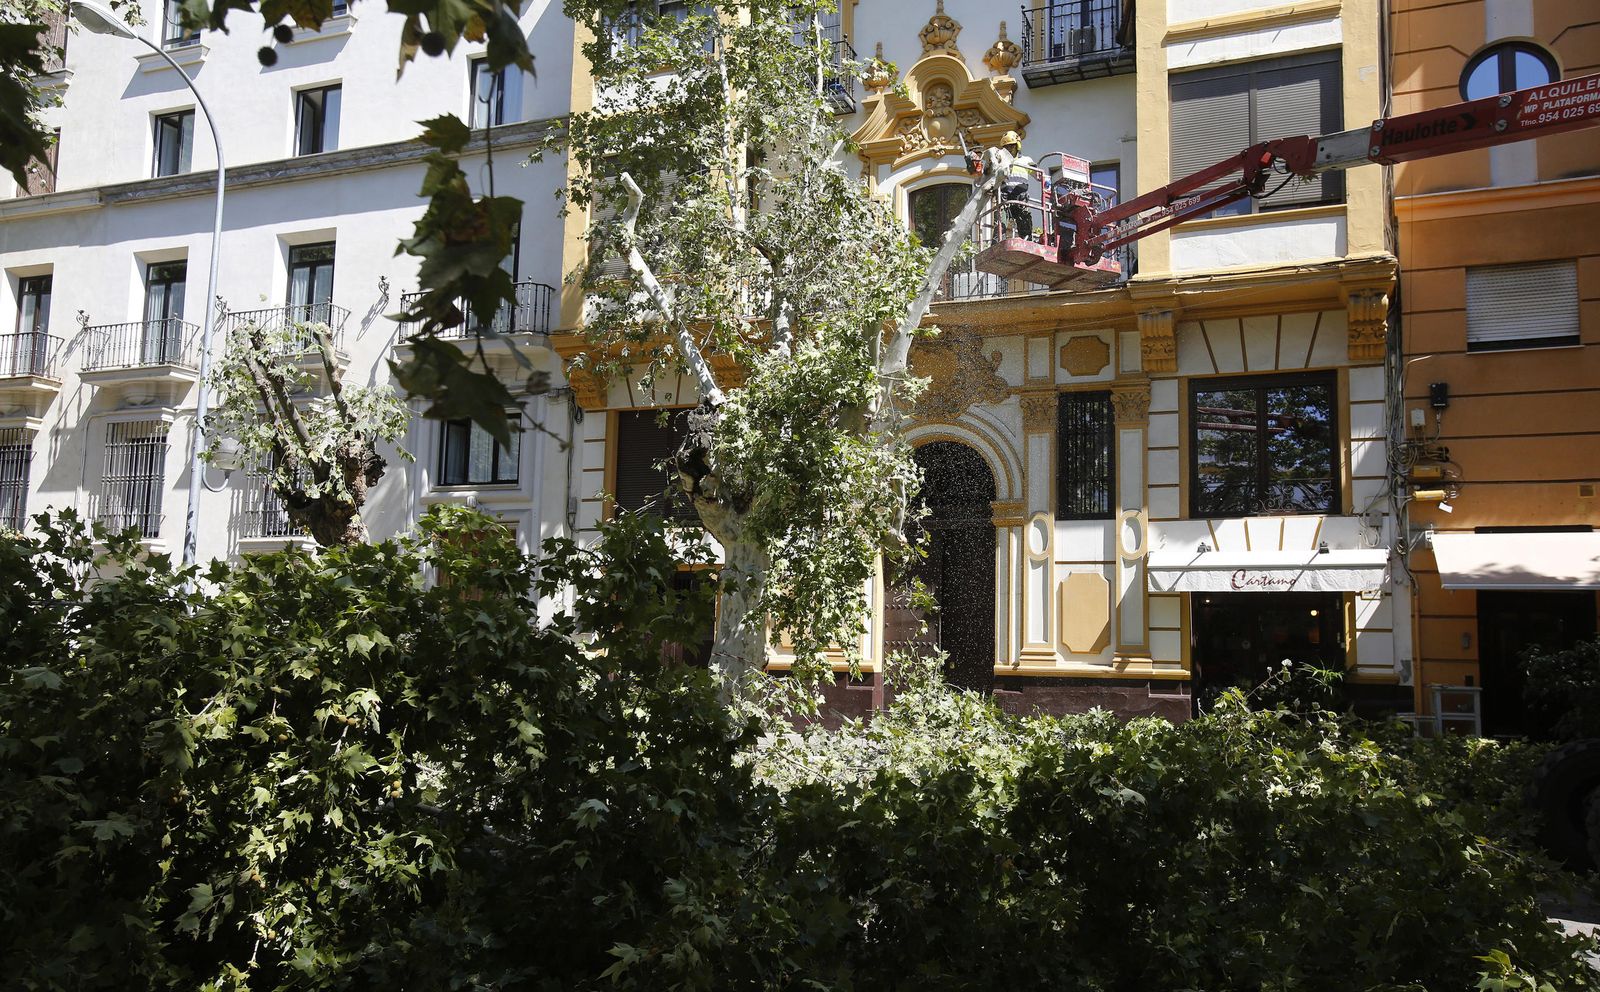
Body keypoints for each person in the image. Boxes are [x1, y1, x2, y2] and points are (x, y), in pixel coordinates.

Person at [999, 130, 1037, 240]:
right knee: (1001, 225)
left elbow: (1038, 175)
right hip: (1004, 198)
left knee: (1025, 223)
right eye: (1006, 147)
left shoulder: (1026, 160)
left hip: (1021, 197)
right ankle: (996, 244)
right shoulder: (1000, 163)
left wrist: (1046, 181)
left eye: (1011, 146)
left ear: (1017, 146)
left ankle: (1027, 242)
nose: (1009, 149)